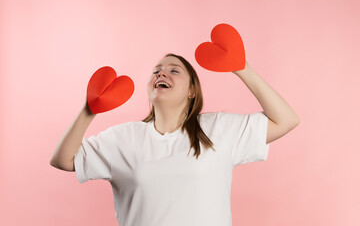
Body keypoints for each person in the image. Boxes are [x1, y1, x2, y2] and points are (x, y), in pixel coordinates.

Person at [50, 53, 300, 226]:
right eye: (156, 71)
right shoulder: (124, 138)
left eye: (173, 70)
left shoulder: (219, 129)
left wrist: (241, 67)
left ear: (192, 90)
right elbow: (63, 159)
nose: (162, 74)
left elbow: (286, 120)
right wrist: (89, 110)